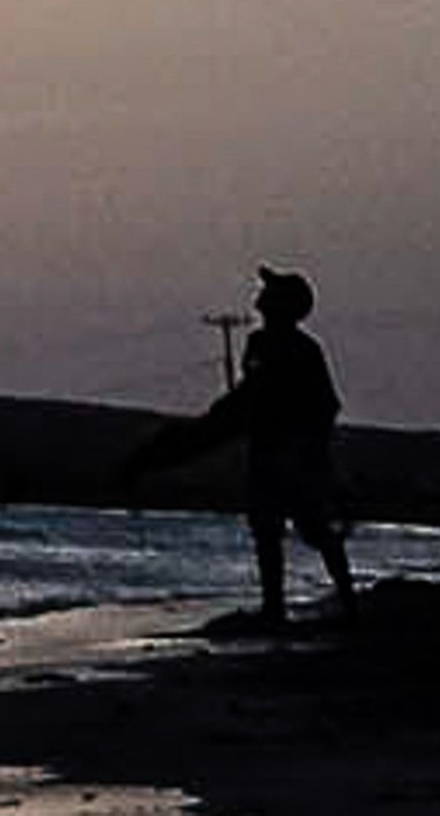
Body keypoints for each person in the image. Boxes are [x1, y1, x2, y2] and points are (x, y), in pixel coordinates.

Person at [121, 266, 356, 627]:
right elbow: (249, 395)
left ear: (284, 305)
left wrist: (309, 450)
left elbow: (323, 406)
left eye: (270, 290)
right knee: (267, 528)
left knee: (312, 528)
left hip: (291, 451)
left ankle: (346, 602)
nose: (259, 294)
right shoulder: (260, 343)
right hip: (266, 447)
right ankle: (276, 607)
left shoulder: (302, 350)